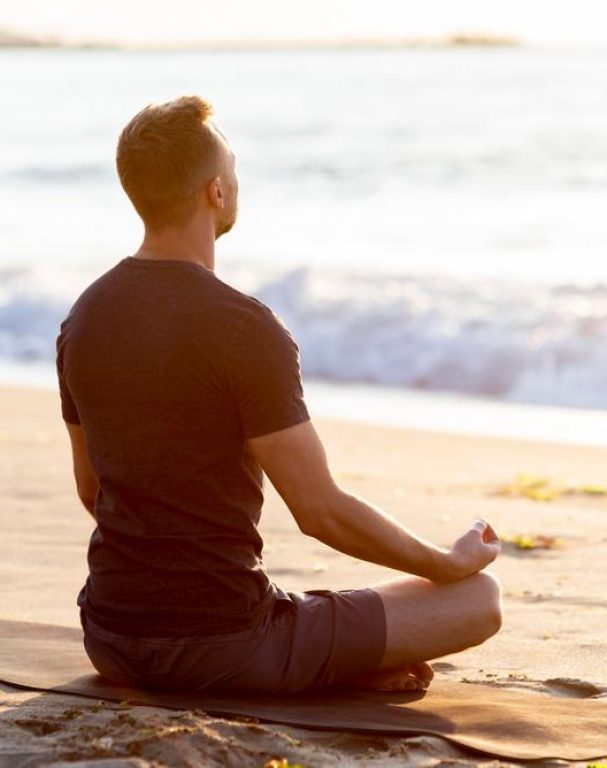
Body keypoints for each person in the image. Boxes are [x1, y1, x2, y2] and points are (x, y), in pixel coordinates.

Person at [55, 95, 502, 695]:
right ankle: (329, 664)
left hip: (111, 639)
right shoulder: (243, 327)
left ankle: (327, 657)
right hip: (228, 644)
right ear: (216, 191)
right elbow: (320, 512)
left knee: (301, 609)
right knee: (479, 599)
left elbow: (93, 491)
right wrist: (444, 563)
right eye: (233, 168)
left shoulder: (83, 319)